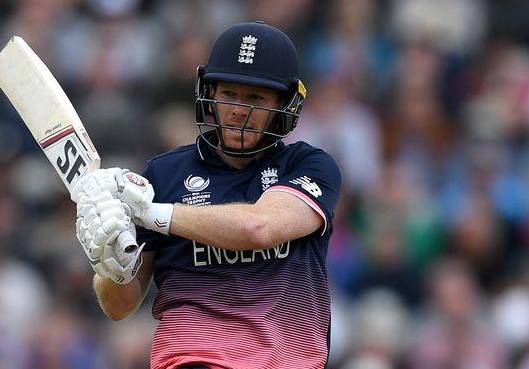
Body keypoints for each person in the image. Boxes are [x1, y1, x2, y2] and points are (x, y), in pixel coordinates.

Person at [72, 21, 342, 369]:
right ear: (210, 94)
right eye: (229, 93)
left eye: (256, 97)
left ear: (285, 103)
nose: (239, 109)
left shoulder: (310, 165)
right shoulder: (163, 175)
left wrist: (154, 214)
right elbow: (119, 307)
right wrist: (114, 266)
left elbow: (259, 229)